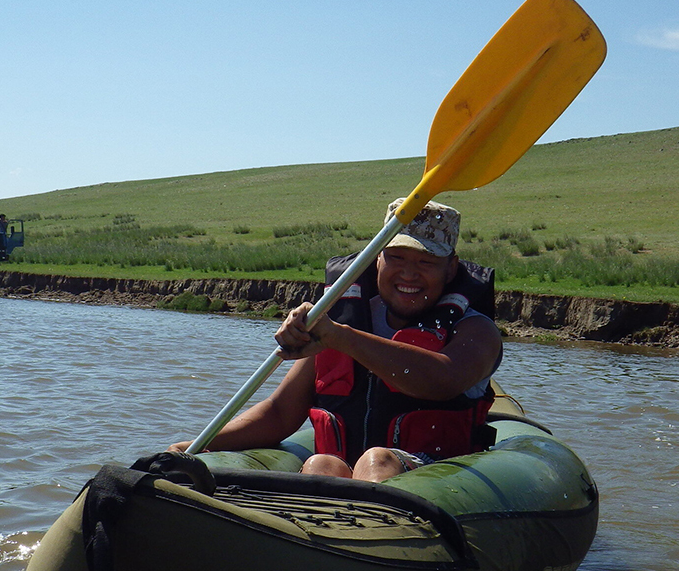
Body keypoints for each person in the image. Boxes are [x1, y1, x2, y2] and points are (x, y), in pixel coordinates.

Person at [170, 199, 503, 482]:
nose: (408, 273)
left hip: (435, 475)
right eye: (397, 257)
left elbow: (441, 381)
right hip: (344, 473)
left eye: (426, 262)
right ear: (377, 259)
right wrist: (201, 445)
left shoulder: (477, 331)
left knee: (377, 460)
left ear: (450, 268)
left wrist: (340, 337)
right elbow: (282, 413)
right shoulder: (342, 318)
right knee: (321, 464)